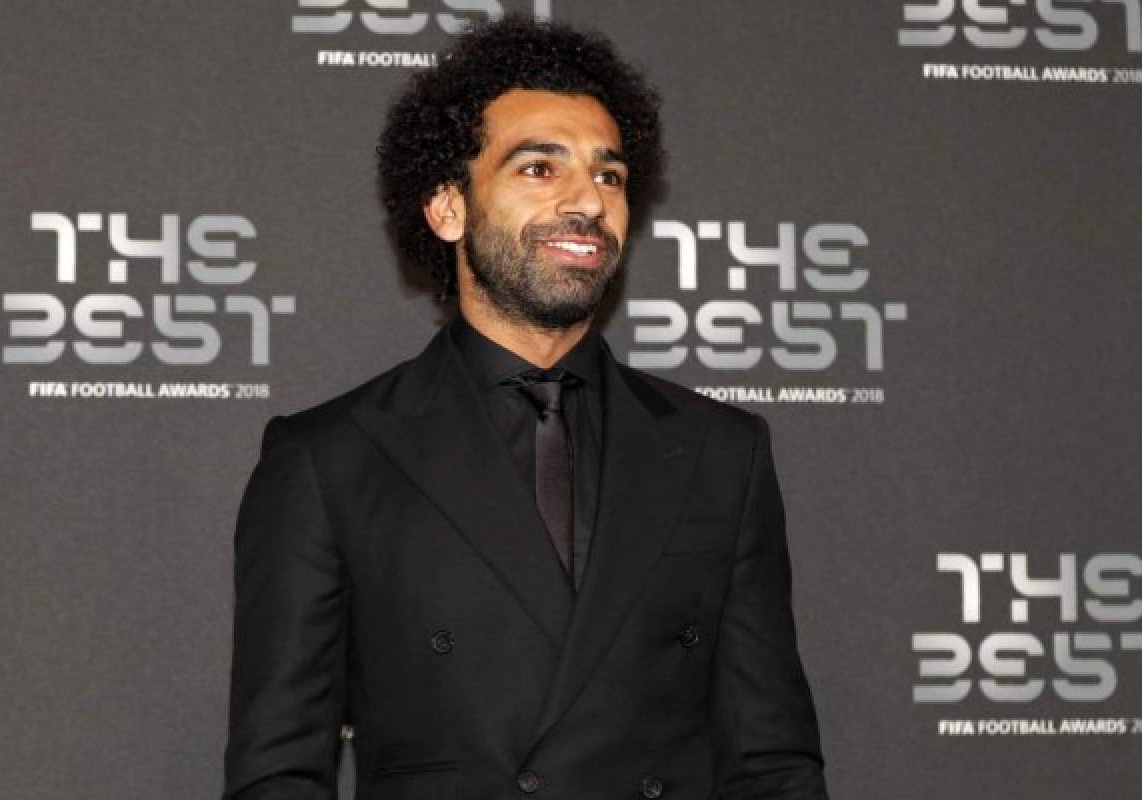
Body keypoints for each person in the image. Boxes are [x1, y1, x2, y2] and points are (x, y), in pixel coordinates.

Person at [223, 15, 828, 800]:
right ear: (448, 208)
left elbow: (772, 763)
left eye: (608, 176)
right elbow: (279, 774)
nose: (588, 200)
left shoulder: (722, 451)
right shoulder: (328, 459)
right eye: (540, 169)